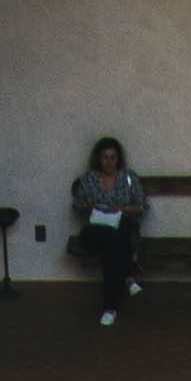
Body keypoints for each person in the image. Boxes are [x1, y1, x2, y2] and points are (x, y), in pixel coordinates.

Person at [71, 136, 147, 327]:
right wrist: (89, 205)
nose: (109, 162)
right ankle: (127, 274)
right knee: (113, 243)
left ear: (118, 158)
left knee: (112, 248)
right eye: (105, 157)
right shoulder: (89, 179)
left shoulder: (128, 177)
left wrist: (122, 208)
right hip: (96, 230)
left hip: (120, 227)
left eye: (113, 157)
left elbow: (141, 206)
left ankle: (109, 307)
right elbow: (77, 206)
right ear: (98, 158)